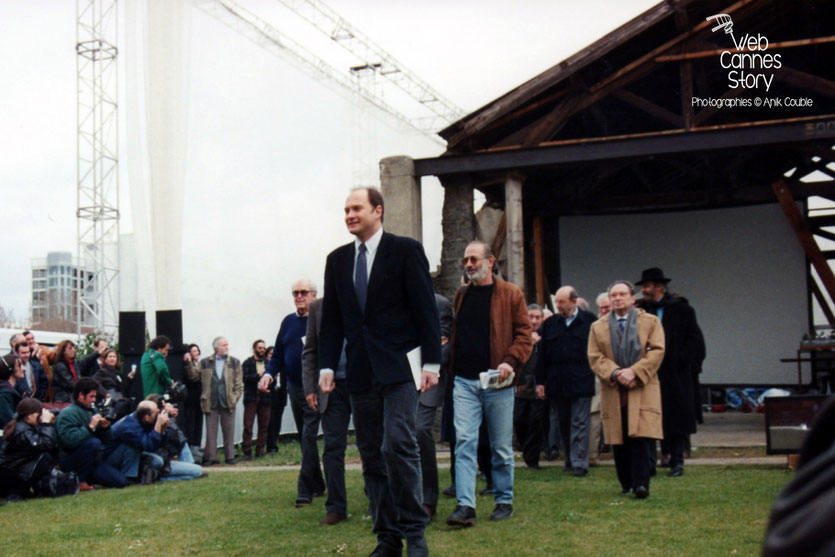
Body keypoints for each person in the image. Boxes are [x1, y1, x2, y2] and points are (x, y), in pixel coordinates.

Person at [309, 186, 441, 557]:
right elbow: (332, 321)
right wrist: (327, 365)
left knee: (398, 443)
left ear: (377, 211)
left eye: (357, 208)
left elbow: (425, 310)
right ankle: (388, 539)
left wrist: (431, 363)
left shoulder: (406, 250)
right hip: (360, 373)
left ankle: (415, 534)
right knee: (371, 454)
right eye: (346, 209)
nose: (350, 215)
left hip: (400, 369)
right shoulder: (337, 260)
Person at [445, 240, 532, 527]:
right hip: (464, 381)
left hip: (498, 382)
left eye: (474, 259)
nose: (469, 265)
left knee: (500, 446)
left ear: (490, 261)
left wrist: (509, 361)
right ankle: (465, 505)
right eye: (466, 261)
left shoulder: (511, 294)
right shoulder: (462, 294)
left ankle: (504, 499)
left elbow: (524, 335)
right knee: (465, 442)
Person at [587, 280, 664, 499]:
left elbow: (657, 350)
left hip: (641, 386)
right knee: (618, 437)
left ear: (632, 298)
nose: (618, 298)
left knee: (640, 435)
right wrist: (617, 373)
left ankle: (642, 484)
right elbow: (595, 357)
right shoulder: (598, 326)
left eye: (622, 294)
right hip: (614, 387)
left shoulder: (650, 322)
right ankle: (626, 483)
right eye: (614, 295)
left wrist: (635, 372)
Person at [260, 279, 325, 506]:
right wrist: (269, 373)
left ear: (314, 295)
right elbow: (278, 354)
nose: (298, 296)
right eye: (295, 293)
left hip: (317, 389)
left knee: (308, 437)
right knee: (305, 438)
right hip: (295, 388)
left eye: (303, 292)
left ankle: (304, 489)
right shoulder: (288, 322)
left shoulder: (320, 319)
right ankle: (318, 483)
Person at [636, 267, 705, 477]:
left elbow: (695, 340)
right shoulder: (641, 311)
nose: (645, 290)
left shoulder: (681, 310)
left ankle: (677, 460)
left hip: (676, 373)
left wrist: (682, 360)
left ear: (659, 287)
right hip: (650, 371)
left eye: (647, 286)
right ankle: (656, 459)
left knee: (676, 418)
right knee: (653, 416)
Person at [535, 286, 596, 477]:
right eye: (557, 302)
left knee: (580, 422)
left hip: (581, 380)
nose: (559, 306)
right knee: (564, 423)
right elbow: (542, 356)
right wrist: (540, 381)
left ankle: (580, 463)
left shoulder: (589, 322)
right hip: (557, 381)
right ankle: (570, 460)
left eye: (562, 302)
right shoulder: (551, 324)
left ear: (574, 301)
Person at [302, 296, 352, 525]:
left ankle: (376, 501)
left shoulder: (363, 297)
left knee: (372, 445)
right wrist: (310, 388)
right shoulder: (318, 308)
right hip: (330, 389)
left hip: (363, 383)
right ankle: (336, 507)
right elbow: (310, 351)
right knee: (332, 448)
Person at [415, 293, 453, 518]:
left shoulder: (440, 304)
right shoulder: (399, 300)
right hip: (401, 378)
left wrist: (429, 367)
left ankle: (428, 499)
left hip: (429, 378)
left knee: (420, 430)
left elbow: (444, 345)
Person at [104, 400, 202, 482]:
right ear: (146, 417)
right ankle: (130, 478)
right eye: (156, 413)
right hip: (111, 460)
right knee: (133, 449)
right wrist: (158, 426)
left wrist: (163, 428)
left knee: (158, 461)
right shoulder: (129, 427)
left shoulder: (143, 420)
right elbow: (148, 446)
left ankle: (152, 476)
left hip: (135, 458)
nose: (159, 415)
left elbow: (162, 444)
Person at [55, 377, 126, 490]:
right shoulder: (67, 414)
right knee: (93, 443)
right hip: (71, 461)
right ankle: (80, 481)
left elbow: (108, 440)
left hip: (91, 462)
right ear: (81, 396)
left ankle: (86, 478)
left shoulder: (91, 411)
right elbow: (70, 440)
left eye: (95, 397)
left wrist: (105, 428)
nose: (94, 400)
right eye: (91, 397)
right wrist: (90, 427)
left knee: (120, 481)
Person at [0, 398, 74, 501]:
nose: (41, 416)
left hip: (11, 472)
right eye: (38, 413)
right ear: (29, 415)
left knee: (45, 456)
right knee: (44, 457)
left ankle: (23, 490)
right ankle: (16, 491)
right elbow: (45, 444)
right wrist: (46, 424)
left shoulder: (26, 426)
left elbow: (52, 445)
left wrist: (48, 424)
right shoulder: (23, 431)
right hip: (8, 474)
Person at [189, 337, 242, 465]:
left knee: (229, 430)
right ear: (216, 347)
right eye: (224, 345)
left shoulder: (234, 362)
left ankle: (230, 457)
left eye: (227, 345)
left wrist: (234, 398)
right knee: (211, 432)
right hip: (210, 401)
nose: (226, 347)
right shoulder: (205, 362)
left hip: (228, 401)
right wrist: (189, 363)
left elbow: (239, 384)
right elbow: (194, 376)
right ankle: (211, 457)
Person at [514, 303, 546, 470]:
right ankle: (525, 449)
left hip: (538, 385)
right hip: (521, 385)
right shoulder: (519, 335)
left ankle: (532, 459)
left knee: (535, 421)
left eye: (537, 317)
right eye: (531, 317)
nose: (534, 321)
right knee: (519, 420)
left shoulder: (546, 336)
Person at [588, 292, 612, 466]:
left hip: (621, 375)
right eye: (601, 307)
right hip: (598, 375)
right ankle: (592, 455)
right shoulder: (594, 326)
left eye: (607, 307)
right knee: (594, 415)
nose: (603, 310)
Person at [241, 339, 271, 460]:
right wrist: (259, 376)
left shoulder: (268, 363)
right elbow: (244, 378)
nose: (262, 350)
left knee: (264, 425)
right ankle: (247, 451)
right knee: (248, 425)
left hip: (265, 397)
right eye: (260, 348)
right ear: (254, 348)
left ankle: (260, 451)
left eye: (263, 348)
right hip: (252, 397)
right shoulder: (248, 362)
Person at [180, 343, 204, 447]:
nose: (197, 352)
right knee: (191, 425)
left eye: (197, 350)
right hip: (190, 399)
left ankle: (197, 446)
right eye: (194, 351)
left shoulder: (200, 364)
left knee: (199, 424)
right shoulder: (186, 366)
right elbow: (192, 378)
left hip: (199, 399)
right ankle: (191, 446)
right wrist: (188, 362)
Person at [24, 331, 54, 401]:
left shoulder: (42, 350)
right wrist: (36, 358)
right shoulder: (27, 357)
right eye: (28, 339)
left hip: (46, 390)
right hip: (35, 394)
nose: (31, 341)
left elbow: (53, 358)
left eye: (32, 338)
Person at [0, 357, 23, 429]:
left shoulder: (14, 389)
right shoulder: (4, 394)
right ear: (10, 370)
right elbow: (9, 421)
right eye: (19, 366)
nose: (23, 368)